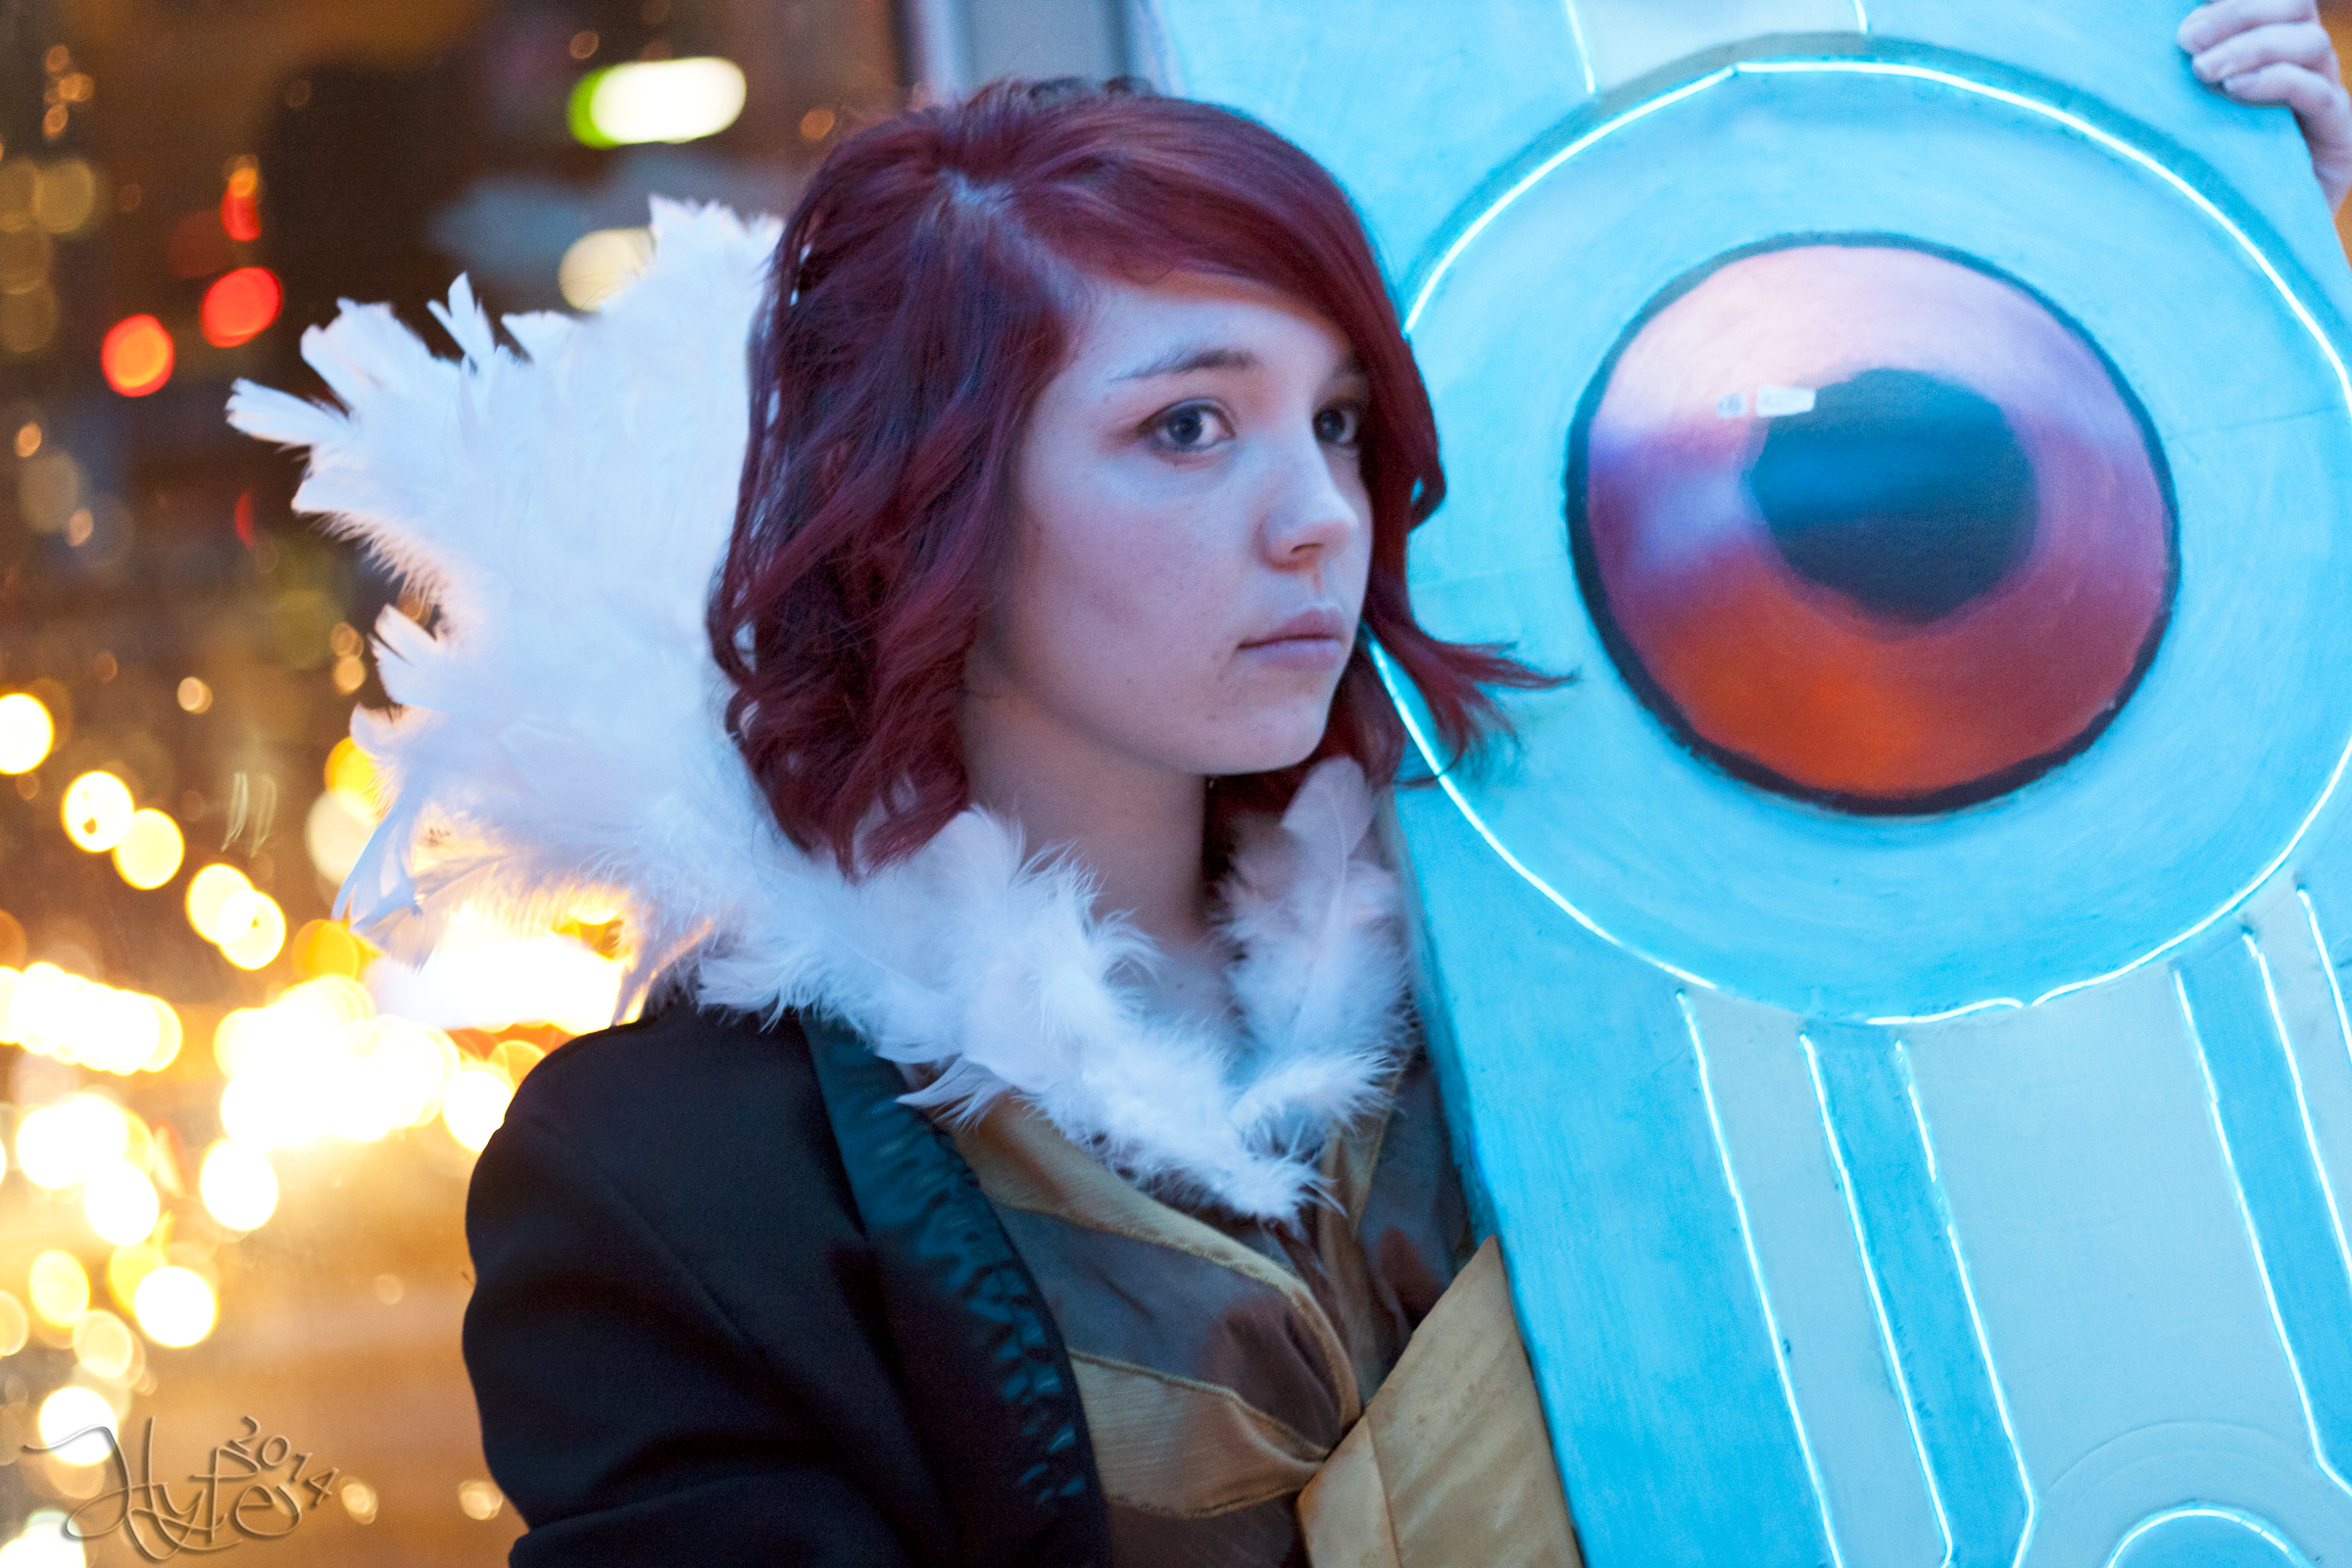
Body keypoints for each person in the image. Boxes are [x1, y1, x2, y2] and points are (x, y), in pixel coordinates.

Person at [227, 7, 2352, 1566]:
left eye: (1337, 425)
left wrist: (2250, 287)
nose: (1317, 516)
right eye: (1187, 428)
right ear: (931, 511)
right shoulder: (688, 1184)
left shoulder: (1559, 931)